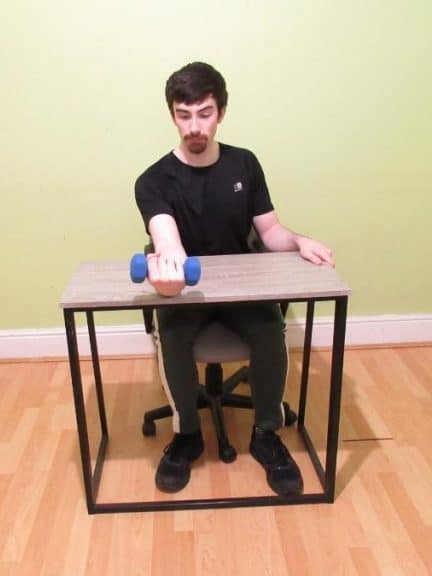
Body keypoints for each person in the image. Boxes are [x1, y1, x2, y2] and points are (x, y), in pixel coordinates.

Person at [134, 62, 334, 495]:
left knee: (268, 328)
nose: (194, 127)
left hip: (244, 290)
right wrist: (169, 260)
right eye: (184, 115)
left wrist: (299, 241)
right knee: (172, 333)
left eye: (204, 113)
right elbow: (166, 239)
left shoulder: (245, 163)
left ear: (221, 112)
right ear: (173, 115)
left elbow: (270, 231)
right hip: (187, 292)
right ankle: (187, 435)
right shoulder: (153, 180)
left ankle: (266, 434)